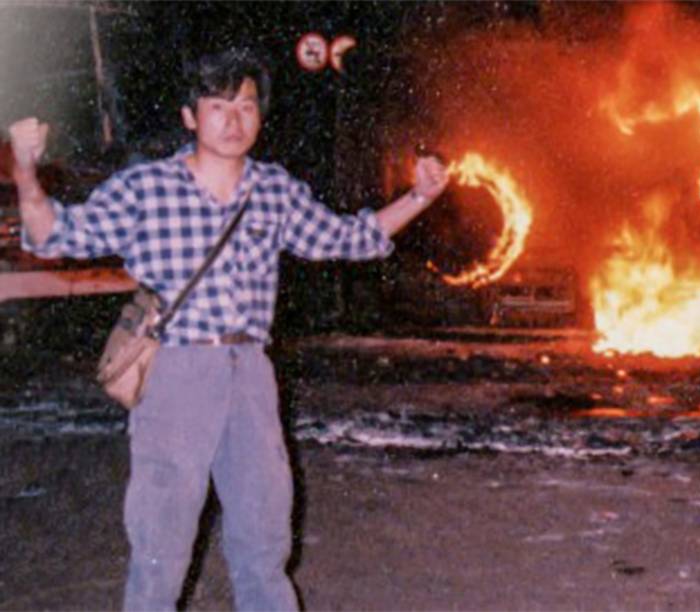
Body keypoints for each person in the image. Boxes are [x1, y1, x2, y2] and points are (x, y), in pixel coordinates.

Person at [8, 48, 448, 611]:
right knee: (159, 550)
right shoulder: (146, 188)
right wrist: (23, 169)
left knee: (264, 543)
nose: (234, 119)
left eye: (246, 106)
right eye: (218, 105)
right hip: (175, 372)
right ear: (191, 117)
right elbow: (53, 235)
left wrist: (420, 196)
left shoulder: (273, 189)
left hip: (251, 375)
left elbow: (349, 238)